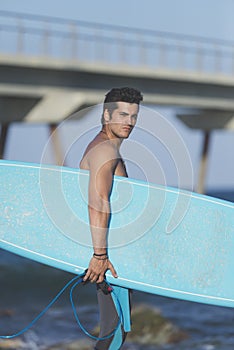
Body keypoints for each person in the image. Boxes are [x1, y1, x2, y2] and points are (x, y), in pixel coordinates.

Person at [80, 87, 143, 349]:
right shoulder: (105, 151)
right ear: (106, 115)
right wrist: (99, 256)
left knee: (115, 328)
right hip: (106, 256)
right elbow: (98, 203)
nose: (129, 122)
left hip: (114, 253)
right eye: (123, 115)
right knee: (113, 331)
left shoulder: (108, 149)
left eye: (134, 116)